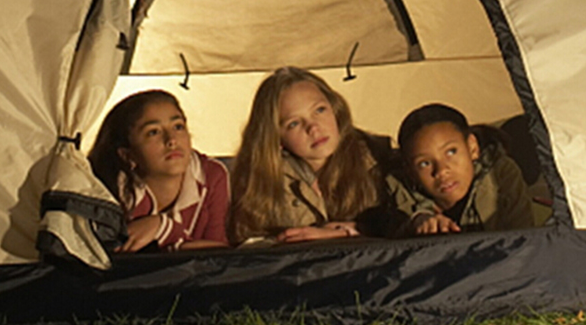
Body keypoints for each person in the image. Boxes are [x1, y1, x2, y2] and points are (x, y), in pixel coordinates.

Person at [228, 66, 393, 245]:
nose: (313, 128)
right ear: (275, 137)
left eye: (320, 110)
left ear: (335, 109)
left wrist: (347, 232)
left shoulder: (378, 159)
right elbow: (248, 247)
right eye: (294, 123)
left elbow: (402, 230)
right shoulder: (260, 182)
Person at [89, 89, 230, 252]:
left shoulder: (211, 175)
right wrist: (174, 238)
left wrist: (163, 228)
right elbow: (124, 257)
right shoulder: (114, 188)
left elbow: (219, 253)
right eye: (153, 132)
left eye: (178, 127)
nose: (172, 140)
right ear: (127, 155)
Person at [389, 103, 534, 235]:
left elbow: (524, 240)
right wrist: (417, 223)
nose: (441, 171)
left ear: (472, 148)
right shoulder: (396, 193)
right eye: (424, 163)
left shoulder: (499, 175)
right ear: (410, 172)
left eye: (451, 152)